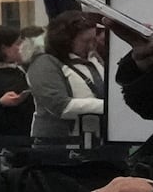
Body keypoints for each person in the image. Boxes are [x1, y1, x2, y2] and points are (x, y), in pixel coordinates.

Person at [27, 11, 108, 142]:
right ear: (65, 40)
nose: (92, 45)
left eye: (93, 39)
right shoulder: (45, 63)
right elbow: (60, 106)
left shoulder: (94, 59)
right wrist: (108, 107)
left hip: (95, 139)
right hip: (58, 145)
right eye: (85, 41)